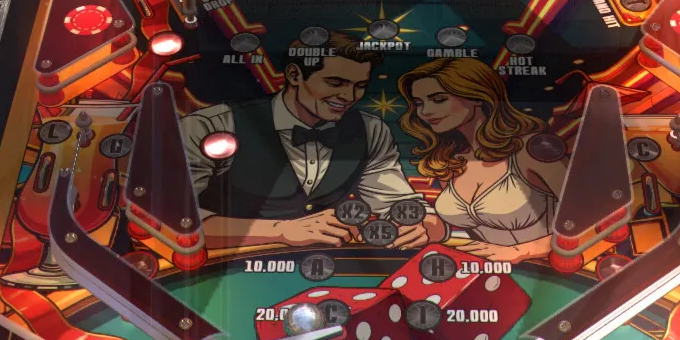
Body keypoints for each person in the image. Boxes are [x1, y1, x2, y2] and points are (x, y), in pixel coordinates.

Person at [181, 40, 431, 249]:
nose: (349, 96)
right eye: (335, 83)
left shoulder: (370, 129)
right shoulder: (211, 125)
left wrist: (424, 225)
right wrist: (279, 231)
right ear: (295, 75)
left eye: (360, 86)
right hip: (227, 271)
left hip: (326, 266)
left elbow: (400, 203)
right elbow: (174, 220)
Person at [398, 57, 568, 263]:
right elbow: (463, 224)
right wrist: (429, 227)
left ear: (477, 97)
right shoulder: (449, 160)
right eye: (419, 103)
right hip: (484, 270)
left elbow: (592, 221)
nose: (425, 112)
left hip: (552, 271)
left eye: (439, 99)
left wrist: (522, 250)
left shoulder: (531, 149)